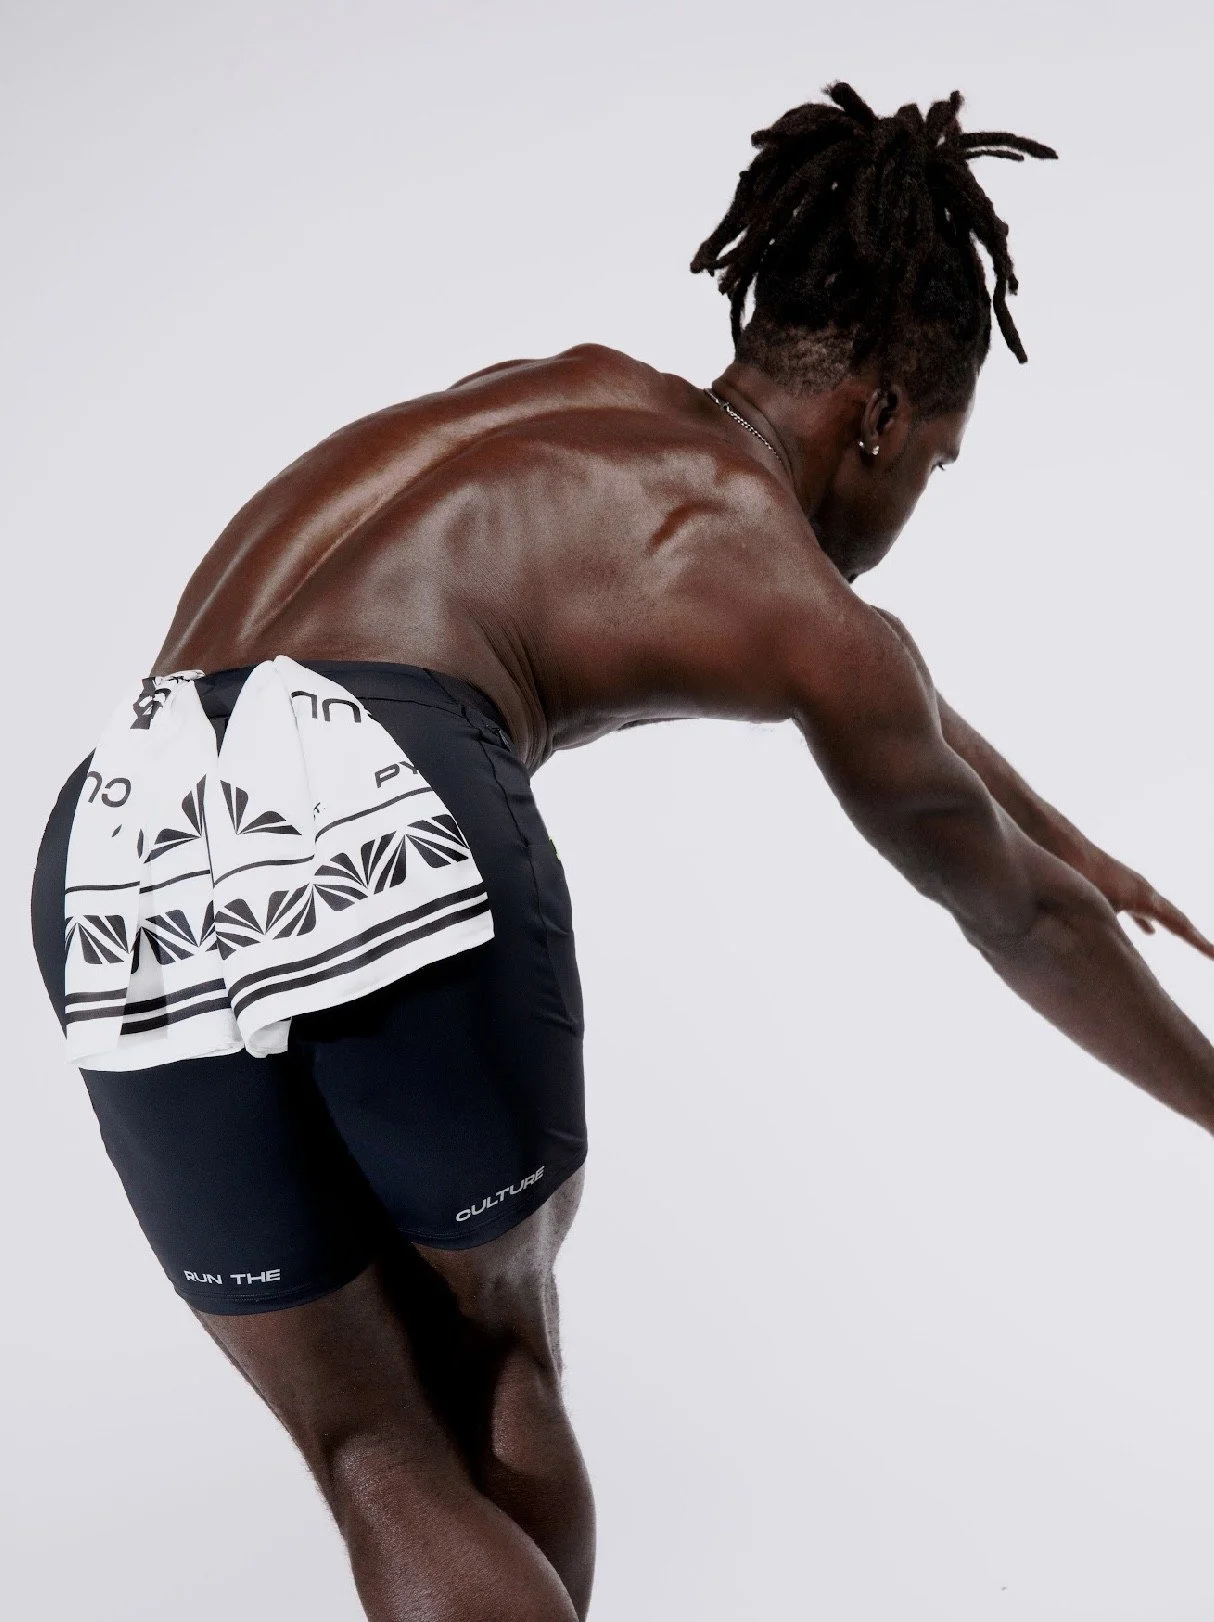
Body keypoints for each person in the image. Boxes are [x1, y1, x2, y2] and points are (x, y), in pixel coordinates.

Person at [30, 83, 1214, 1622]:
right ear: (877, 418)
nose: (916, 494)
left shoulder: (566, 396)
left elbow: (900, 692)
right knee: (497, 1360)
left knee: (369, 1441)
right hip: (382, 780)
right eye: (933, 458)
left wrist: (1062, 826)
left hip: (118, 821)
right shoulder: (778, 578)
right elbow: (1018, 912)